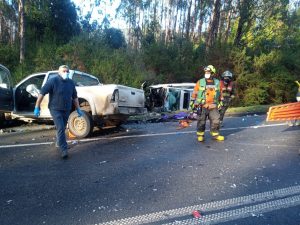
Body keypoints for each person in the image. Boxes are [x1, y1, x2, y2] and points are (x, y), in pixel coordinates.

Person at [34, 65, 83, 159]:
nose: (66, 73)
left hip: (66, 109)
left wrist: (78, 109)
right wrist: (37, 106)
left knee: (62, 127)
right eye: (64, 71)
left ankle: (58, 142)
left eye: (67, 71)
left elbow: (75, 97)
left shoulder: (71, 83)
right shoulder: (53, 81)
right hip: (55, 109)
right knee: (60, 127)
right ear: (59, 72)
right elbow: (42, 93)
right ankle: (64, 149)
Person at [189, 65, 224, 142]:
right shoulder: (200, 82)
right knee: (201, 121)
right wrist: (192, 103)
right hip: (202, 106)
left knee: (216, 121)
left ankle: (215, 134)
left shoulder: (218, 82)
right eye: (206, 72)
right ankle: (200, 135)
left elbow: (220, 93)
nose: (206, 73)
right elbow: (194, 92)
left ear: (212, 73)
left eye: (208, 72)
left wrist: (221, 102)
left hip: (213, 106)